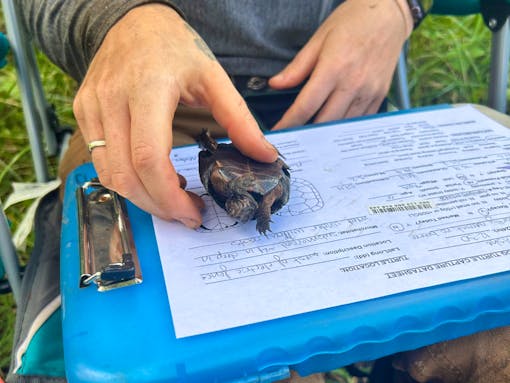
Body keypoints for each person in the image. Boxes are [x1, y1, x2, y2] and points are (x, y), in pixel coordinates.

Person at [20, 1, 487, 382]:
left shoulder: (258, 195)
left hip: (340, 101)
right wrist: (121, 21)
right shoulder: (243, 192)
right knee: (208, 355)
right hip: (163, 99)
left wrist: (397, 7)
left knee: (488, 339)